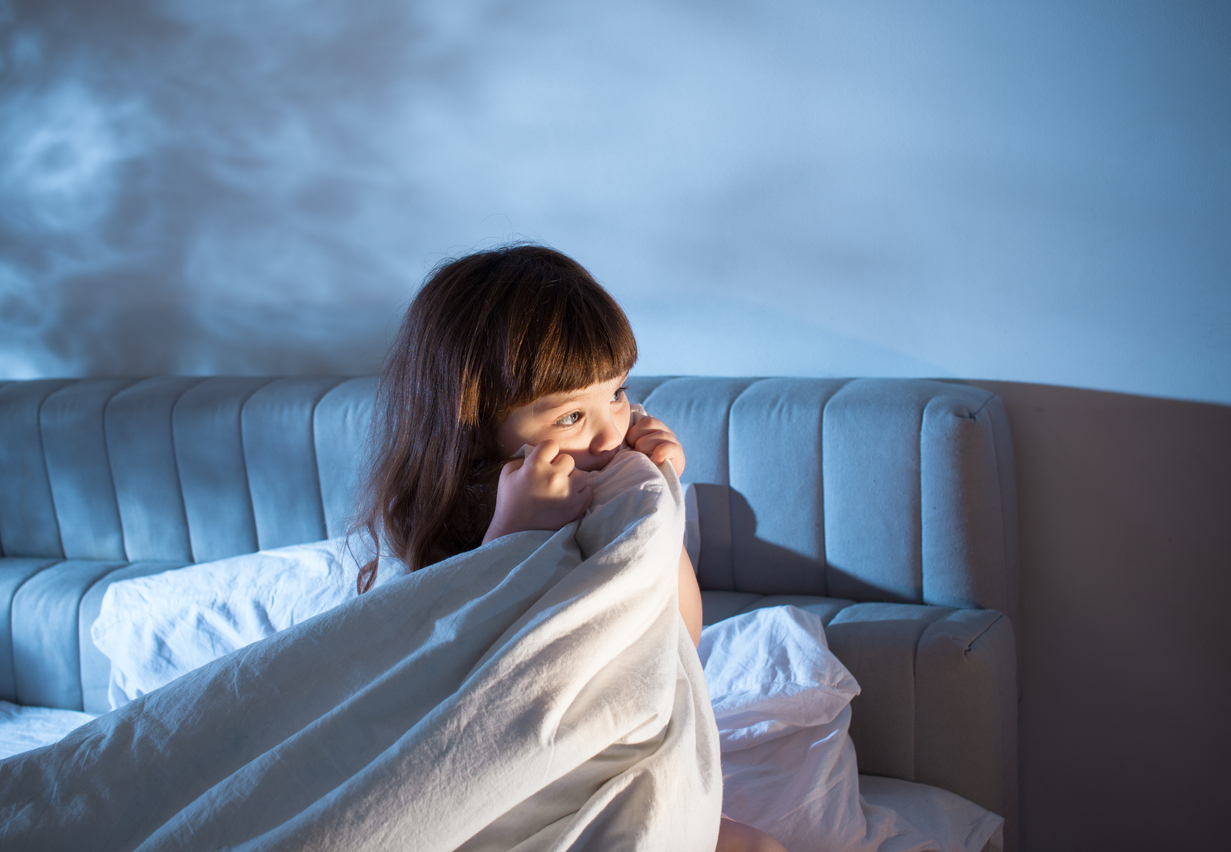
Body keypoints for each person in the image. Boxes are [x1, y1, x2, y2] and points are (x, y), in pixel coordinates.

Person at [356, 244, 787, 852]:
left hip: (596, 765)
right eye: (568, 418)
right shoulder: (425, 529)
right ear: (471, 410)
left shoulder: (609, 486)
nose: (613, 432)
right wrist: (510, 537)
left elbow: (679, 638)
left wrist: (660, 505)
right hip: (494, 786)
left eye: (616, 393)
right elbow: (439, 687)